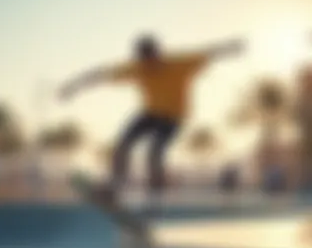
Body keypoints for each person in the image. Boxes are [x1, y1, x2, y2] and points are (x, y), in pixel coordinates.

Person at [59, 34, 245, 201]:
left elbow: (209, 52)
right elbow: (100, 74)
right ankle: (117, 183)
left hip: (173, 117)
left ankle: (156, 190)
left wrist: (231, 47)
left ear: (158, 54)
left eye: (152, 59)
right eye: (145, 61)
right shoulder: (136, 68)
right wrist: (73, 86)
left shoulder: (179, 62)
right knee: (123, 144)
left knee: (154, 152)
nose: (149, 65)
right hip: (149, 114)